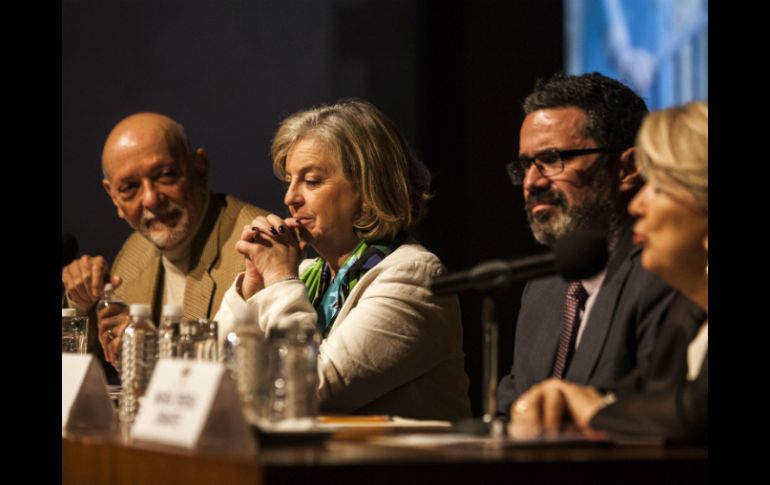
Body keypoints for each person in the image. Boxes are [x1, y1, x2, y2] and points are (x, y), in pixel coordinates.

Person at [215, 98, 471, 420]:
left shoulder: (414, 276)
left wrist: (279, 279)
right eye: (290, 181)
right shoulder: (308, 274)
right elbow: (213, 381)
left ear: (367, 188)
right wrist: (252, 289)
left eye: (311, 181)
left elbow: (306, 392)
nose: (290, 198)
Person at [509, 101, 708, 445]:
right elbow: (642, 400)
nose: (638, 204)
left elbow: (692, 417)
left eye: (658, 187)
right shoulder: (687, 315)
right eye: (526, 165)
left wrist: (594, 410)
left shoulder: (662, 289)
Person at [496, 73, 678, 417]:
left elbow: (660, 417)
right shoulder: (542, 289)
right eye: (525, 166)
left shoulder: (662, 276)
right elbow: (510, 408)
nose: (532, 182)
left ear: (627, 168)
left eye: (552, 159)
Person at [62, 113, 268, 369]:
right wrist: (82, 304)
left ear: (199, 168)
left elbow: (256, 367)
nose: (150, 199)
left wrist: (149, 350)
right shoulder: (133, 253)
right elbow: (97, 375)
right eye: (129, 188)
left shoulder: (256, 246)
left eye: (165, 175)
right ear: (114, 198)